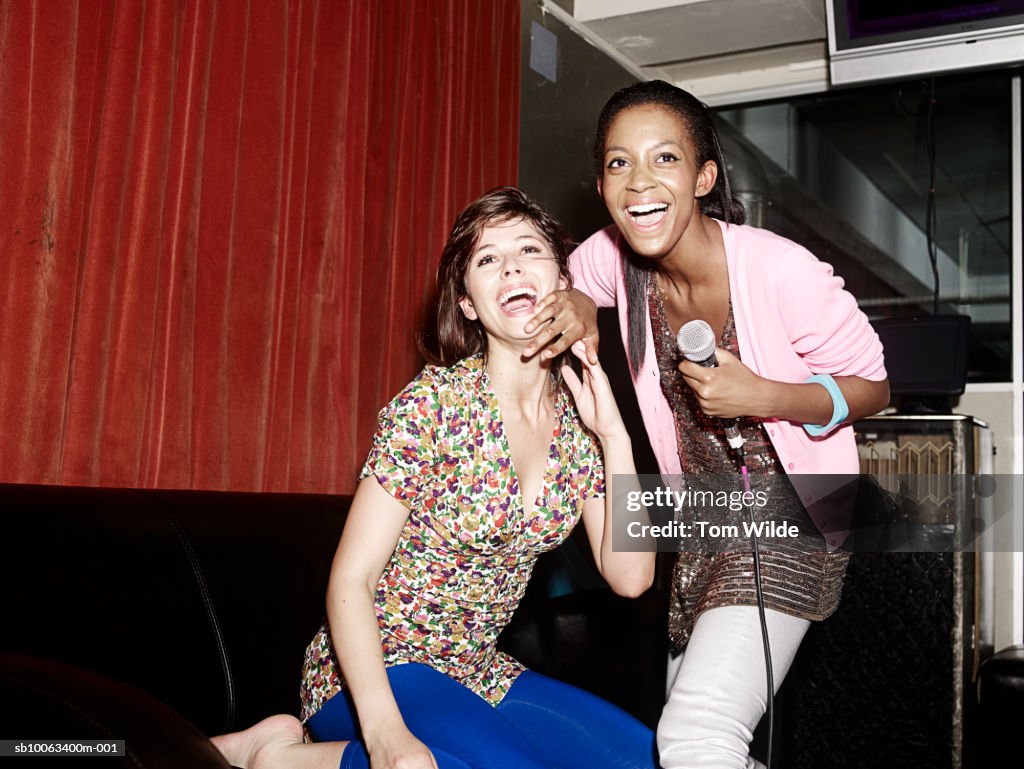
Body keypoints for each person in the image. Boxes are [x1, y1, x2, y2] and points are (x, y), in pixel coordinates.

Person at [211, 187, 658, 769]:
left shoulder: (578, 422)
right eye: (487, 259)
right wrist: (386, 737)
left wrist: (614, 437)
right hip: (374, 669)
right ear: (470, 304)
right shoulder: (434, 405)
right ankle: (276, 757)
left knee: (650, 760)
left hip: (478, 671)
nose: (512, 266)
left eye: (528, 250)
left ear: (562, 283)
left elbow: (631, 577)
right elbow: (352, 578)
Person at [522, 80, 889, 769]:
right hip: (704, 524)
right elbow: (573, 279)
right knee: (688, 746)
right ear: (601, 182)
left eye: (664, 158)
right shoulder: (614, 259)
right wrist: (572, 298)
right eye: (617, 162)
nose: (638, 182)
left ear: (702, 177)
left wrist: (768, 392)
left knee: (695, 734)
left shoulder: (783, 273)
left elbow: (875, 387)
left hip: (792, 517)